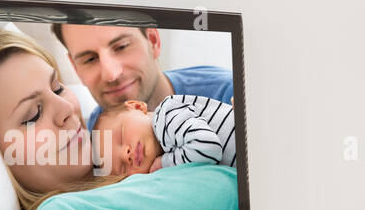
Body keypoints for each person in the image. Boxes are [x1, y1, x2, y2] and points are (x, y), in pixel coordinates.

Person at [0, 27, 237, 210]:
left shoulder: (122, 144)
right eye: (33, 115)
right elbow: (228, 188)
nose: (66, 108)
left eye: (58, 88)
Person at [51, 24, 234, 131]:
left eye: (122, 46)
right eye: (90, 59)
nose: (111, 74)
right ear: (76, 69)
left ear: (153, 41)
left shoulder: (230, 98)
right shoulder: (98, 130)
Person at [94, 95, 237, 176]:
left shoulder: (164, 116)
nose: (126, 155)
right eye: (123, 169)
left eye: (121, 136)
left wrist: (163, 164)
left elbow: (208, 148)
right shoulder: (171, 151)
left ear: (136, 107)